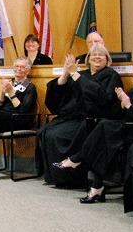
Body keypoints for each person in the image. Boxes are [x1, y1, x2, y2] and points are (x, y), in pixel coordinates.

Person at [53, 54, 133, 203]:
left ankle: (77, 160)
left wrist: (128, 105)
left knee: (104, 128)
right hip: (128, 126)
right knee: (103, 135)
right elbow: (117, 112)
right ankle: (96, 188)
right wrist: (122, 104)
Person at [37, 45, 123, 187]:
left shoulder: (111, 75)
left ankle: (72, 178)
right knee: (47, 131)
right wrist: (66, 73)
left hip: (94, 118)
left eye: (101, 55)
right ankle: (58, 177)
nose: (97, 57)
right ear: (88, 59)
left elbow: (103, 98)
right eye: (94, 55)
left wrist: (75, 75)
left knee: (58, 135)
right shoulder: (83, 74)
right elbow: (61, 95)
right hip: (73, 116)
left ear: (107, 59)